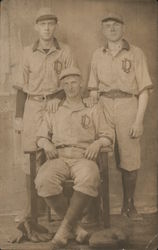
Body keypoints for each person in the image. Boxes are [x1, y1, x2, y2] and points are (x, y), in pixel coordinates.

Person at [35, 67, 113, 249]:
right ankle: (76, 228)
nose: (70, 87)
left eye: (74, 83)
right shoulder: (54, 108)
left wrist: (98, 143)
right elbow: (40, 136)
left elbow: (108, 134)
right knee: (43, 180)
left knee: (90, 176)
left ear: (81, 84)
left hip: (83, 156)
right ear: (62, 86)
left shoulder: (92, 107)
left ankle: (63, 231)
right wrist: (46, 144)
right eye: (66, 84)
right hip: (58, 157)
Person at [88, 12, 153, 220]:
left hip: (128, 105)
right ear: (102, 30)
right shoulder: (97, 54)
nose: (112, 29)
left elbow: (143, 89)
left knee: (130, 157)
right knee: (98, 153)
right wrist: (94, 114)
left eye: (116, 25)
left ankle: (129, 206)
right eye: (107, 26)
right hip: (104, 105)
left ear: (123, 28)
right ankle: (96, 208)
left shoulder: (136, 53)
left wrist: (138, 120)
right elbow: (92, 90)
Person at [14, 7, 75, 222]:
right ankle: (33, 210)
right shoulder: (26, 52)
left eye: (50, 24)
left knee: (57, 150)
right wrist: (19, 117)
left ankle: (61, 210)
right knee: (31, 155)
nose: (47, 28)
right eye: (43, 24)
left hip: (57, 105)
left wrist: (58, 98)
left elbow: (71, 82)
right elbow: (21, 88)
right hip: (32, 105)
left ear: (55, 26)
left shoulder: (65, 50)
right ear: (36, 27)